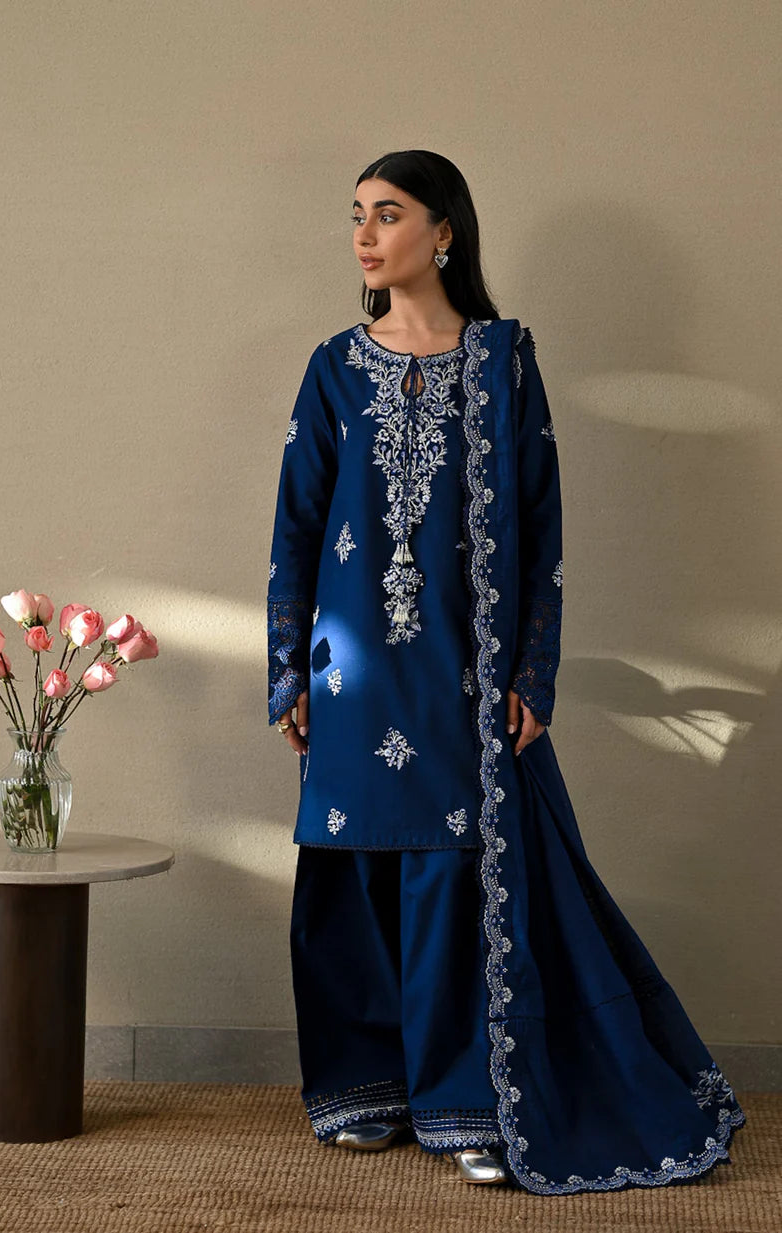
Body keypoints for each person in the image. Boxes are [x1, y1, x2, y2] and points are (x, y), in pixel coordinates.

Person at [266, 149, 746, 1194]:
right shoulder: (334, 367)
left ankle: (461, 1100)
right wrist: (286, 671)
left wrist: (533, 670)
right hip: (348, 671)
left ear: (443, 232)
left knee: (450, 868)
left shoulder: (501, 363)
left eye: (388, 214)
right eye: (356, 215)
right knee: (350, 865)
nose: (364, 235)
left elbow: (540, 524)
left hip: (460, 667)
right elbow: (297, 526)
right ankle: (363, 1086)